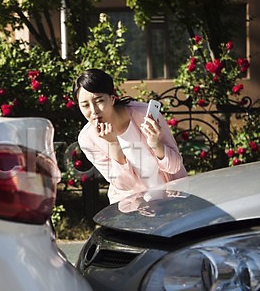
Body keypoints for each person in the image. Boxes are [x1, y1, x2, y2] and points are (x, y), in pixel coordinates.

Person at [74, 68, 187, 204]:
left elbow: (175, 167)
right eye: (85, 105)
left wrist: (156, 145)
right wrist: (113, 145)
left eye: (99, 101)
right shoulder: (87, 139)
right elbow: (125, 185)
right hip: (134, 205)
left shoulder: (144, 114)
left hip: (173, 197)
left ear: (112, 98)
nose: (94, 111)